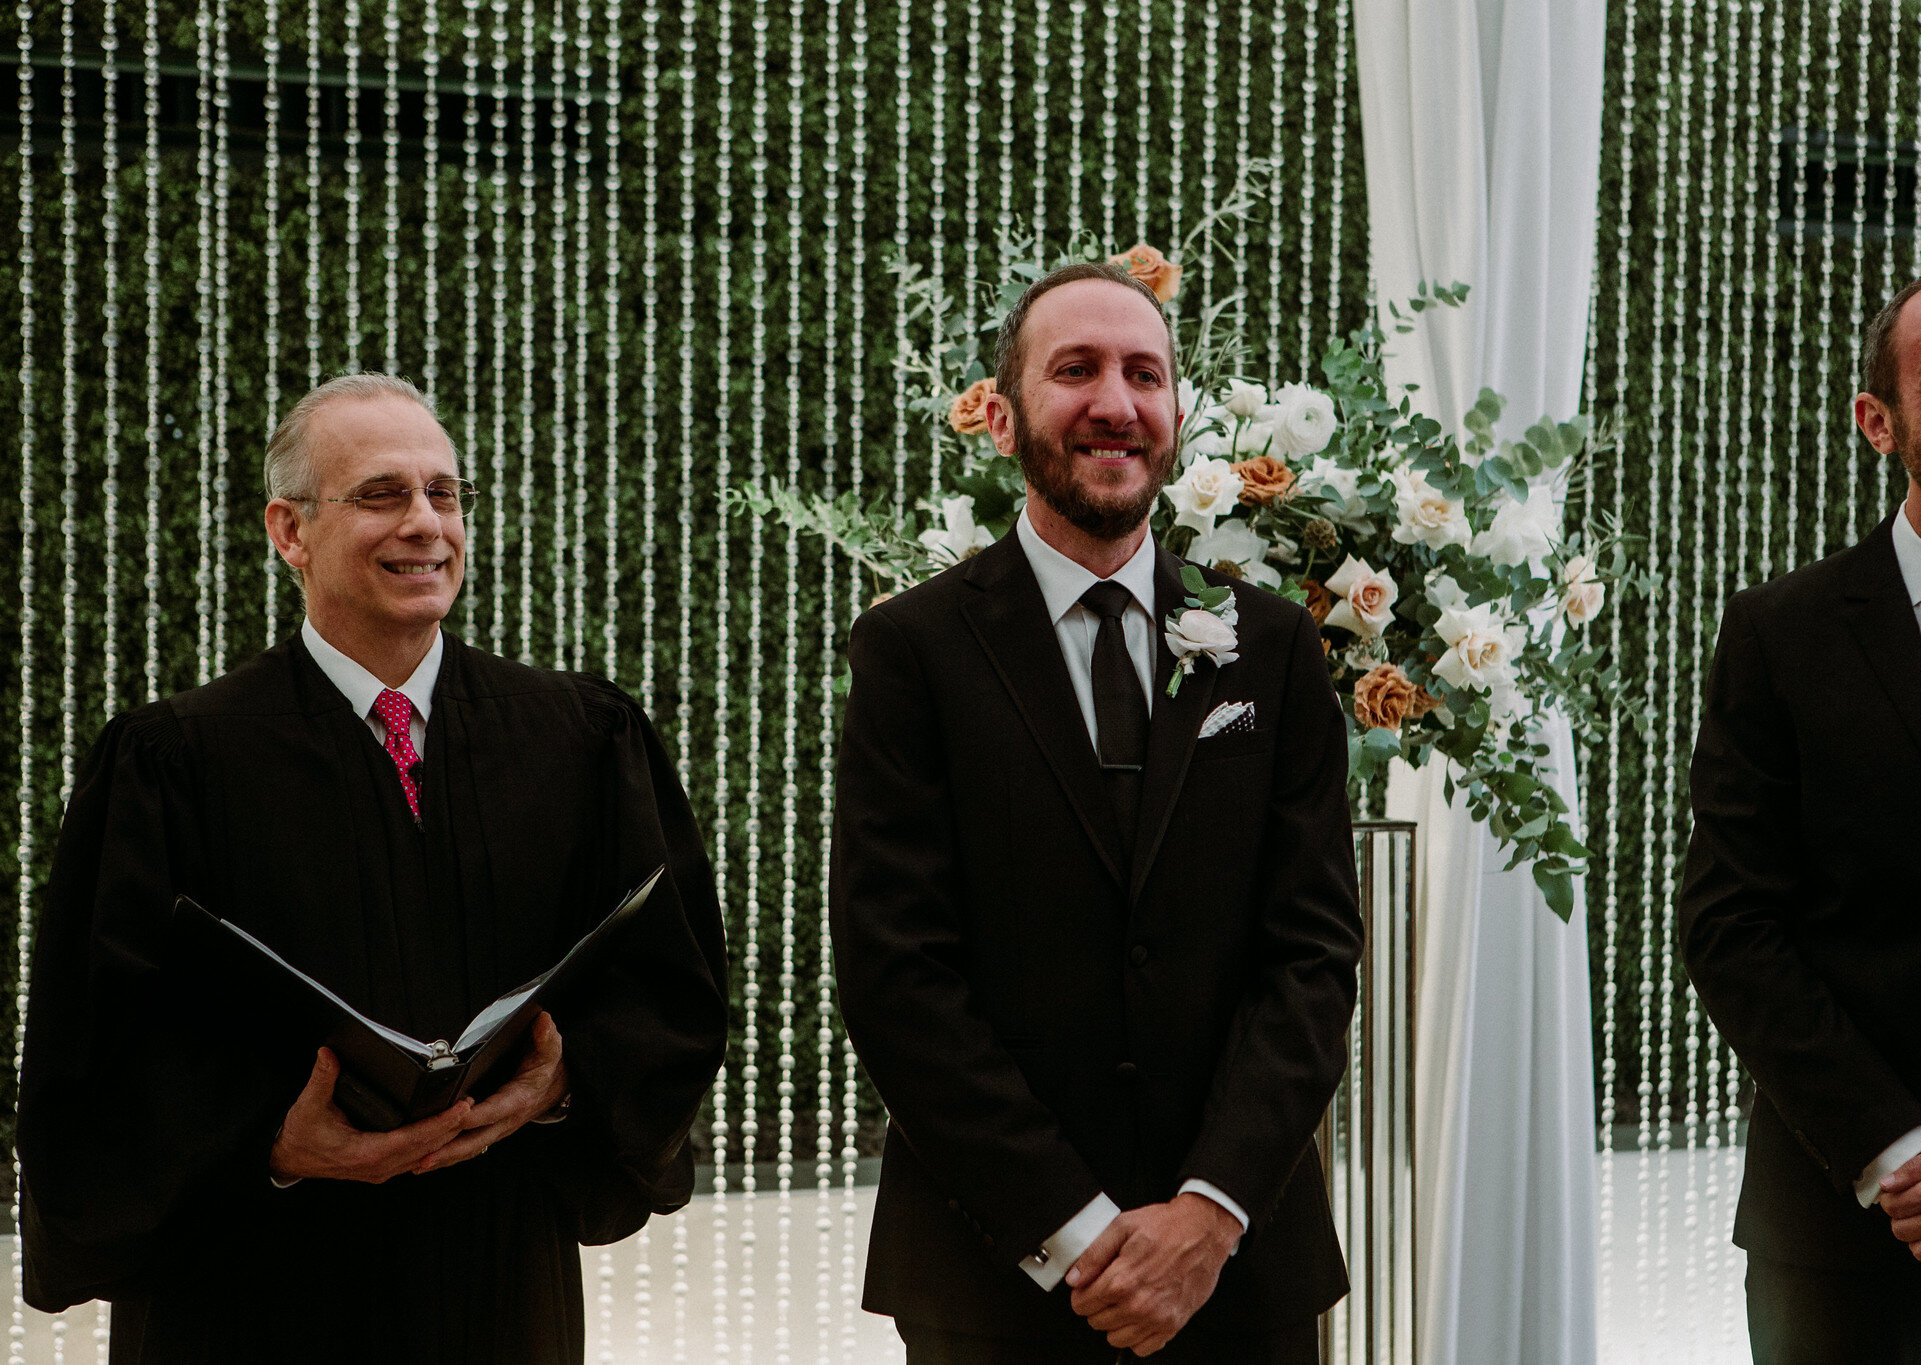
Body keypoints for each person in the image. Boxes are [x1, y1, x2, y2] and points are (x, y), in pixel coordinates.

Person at [18, 373, 728, 1363]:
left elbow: (670, 984)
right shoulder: (174, 761)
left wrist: (565, 1075)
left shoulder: (578, 739)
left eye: (444, 494)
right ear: (289, 531)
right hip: (253, 1280)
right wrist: (267, 1136)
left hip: (495, 1268)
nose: (426, 524)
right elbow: (95, 1043)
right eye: (382, 494)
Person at [830, 261, 1363, 1362]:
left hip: (1240, 1272)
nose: (1114, 403)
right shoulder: (912, 652)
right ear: (1003, 412)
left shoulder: (1272, 649)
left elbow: (1310, 954)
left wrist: (1207, 1215)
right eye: (1073, 370)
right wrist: (1075, 1233)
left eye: (1144, 375)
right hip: (994, 1271)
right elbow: (896, 973)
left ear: (1174, 415)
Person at [1682, 266, 1921, 1362]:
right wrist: (1896, 1158)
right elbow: (1728, 928)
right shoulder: (1776, 636)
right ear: (1874, 420)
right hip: (1834, 1200)